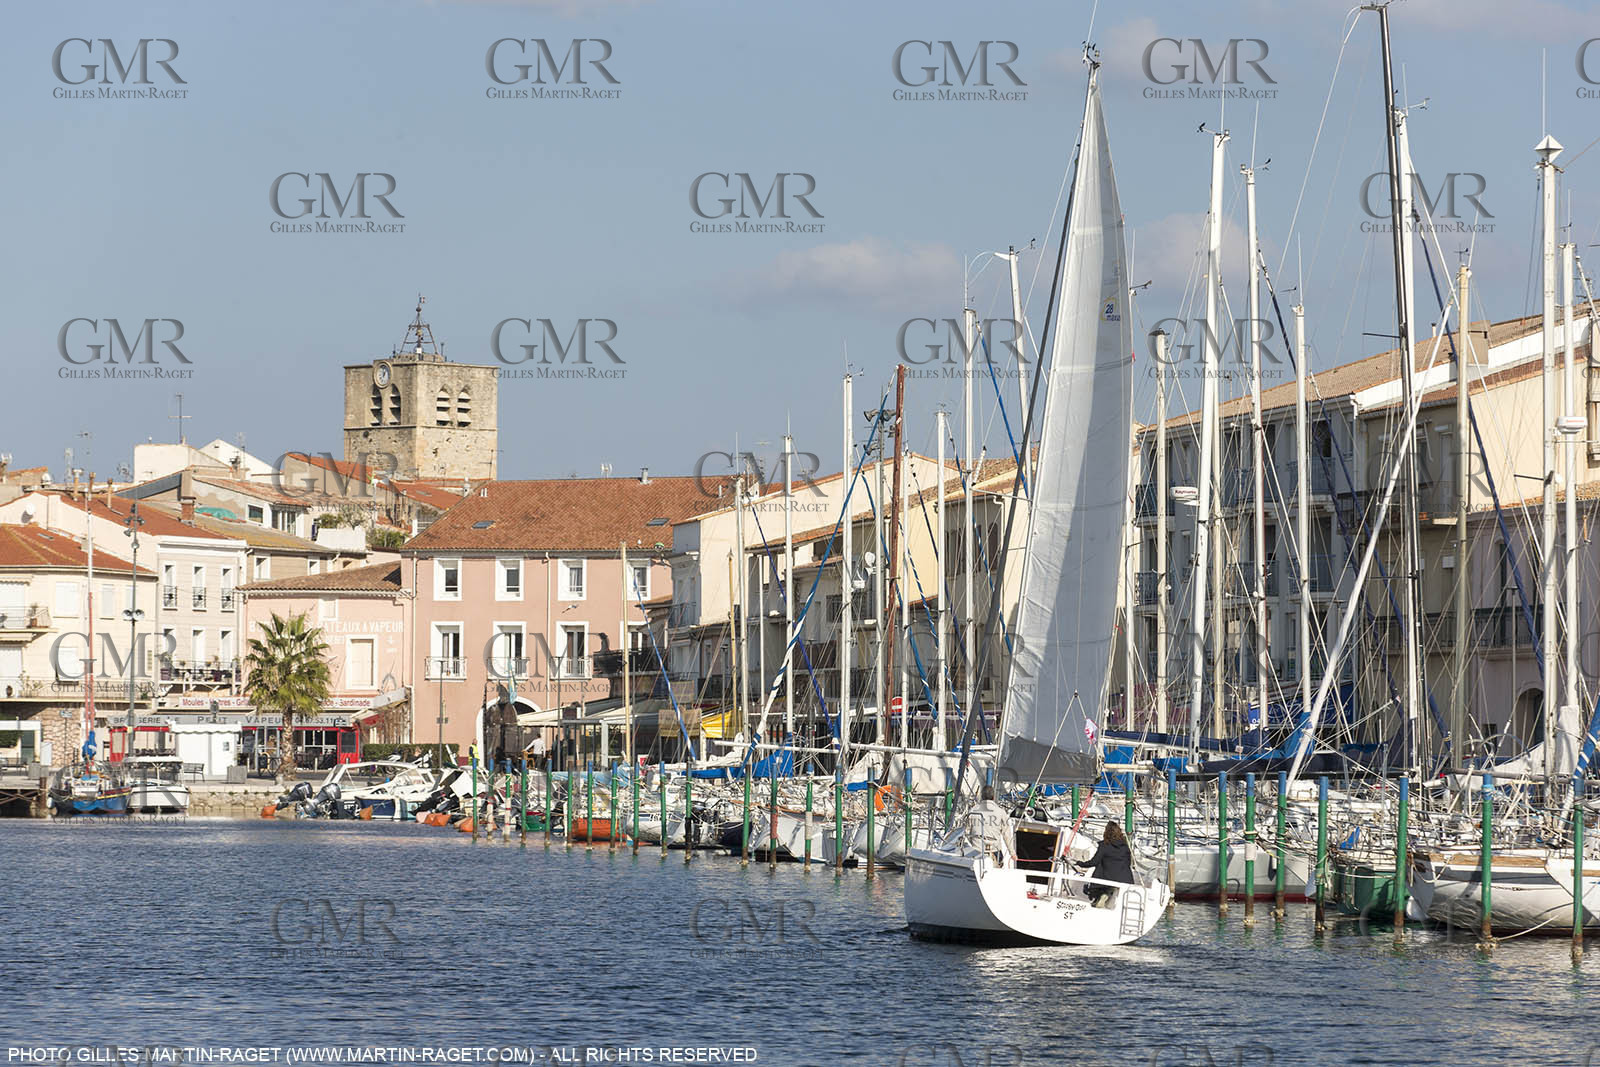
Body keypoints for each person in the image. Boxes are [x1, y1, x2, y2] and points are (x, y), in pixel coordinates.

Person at [1079, 820, 1135, 907]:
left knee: (1100, 866)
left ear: (1106, 832)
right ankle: (1107, 894)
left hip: (1107, 879)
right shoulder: (1125, 846)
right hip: (1125, 879)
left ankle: (1101, 895)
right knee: (1107, 866)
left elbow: (1094, 862)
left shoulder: (1104, 845)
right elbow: (1128, 862)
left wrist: (1081, 863)